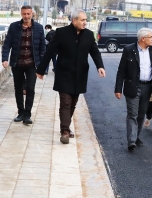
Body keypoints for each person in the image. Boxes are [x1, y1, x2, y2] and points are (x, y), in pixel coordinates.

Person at [36, 9, 106, 144]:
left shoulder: (89, 35)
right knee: (66, 102)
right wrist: (40, 69)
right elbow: (50, 51)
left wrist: (100, 66)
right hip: (64, 74)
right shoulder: (61, 33)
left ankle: (65, 126)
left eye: (86, 20)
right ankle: (65, 131)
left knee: (73, 103)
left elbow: (95, 53)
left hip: (80, 75)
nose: (85, 22)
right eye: (82, 20)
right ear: (74, 21)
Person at [114, 28, 152, 151]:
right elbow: (121, 70)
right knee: (132, 113)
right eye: (151, 37)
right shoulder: (129, 50)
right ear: (143, 38)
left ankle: (136, 136)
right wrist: (118, 88)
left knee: (141, 113)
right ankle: (131, 140)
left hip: (148, 87)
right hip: (133, 86)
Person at [2, 5, 46, 125]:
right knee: (18, 89)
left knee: (30, 89)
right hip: (17, 63)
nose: (26, 16)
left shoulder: (38, 28)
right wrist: (5, 58)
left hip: (32, 64)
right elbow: (7, 44)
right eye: (24, 14)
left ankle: (27, 114)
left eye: (28, 14)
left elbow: (43, 48)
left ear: (32, 14)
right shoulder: (14, 27)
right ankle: (20, 112)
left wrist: (43, 67)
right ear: (21, 14)